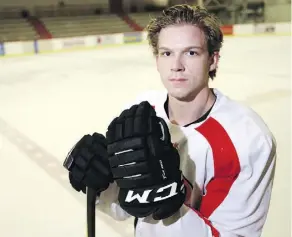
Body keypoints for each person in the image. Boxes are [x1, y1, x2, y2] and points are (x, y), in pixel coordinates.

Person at [64, 4, 277, 237]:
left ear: (213, 60)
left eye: (191, 52)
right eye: (167, 53)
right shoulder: (144, 111)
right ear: (157, 60)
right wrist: (101, 185)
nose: (176, 65)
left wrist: (166, 202)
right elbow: (126, 207)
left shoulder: (247, 139)